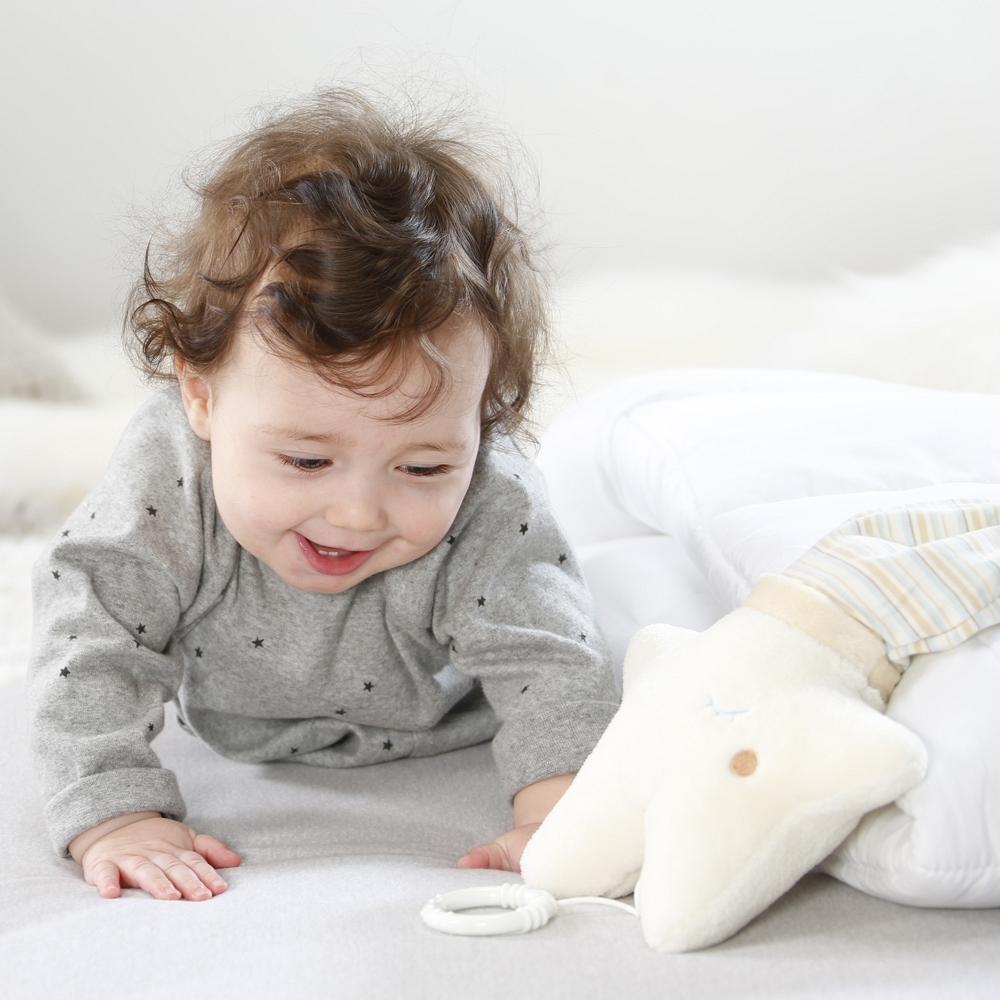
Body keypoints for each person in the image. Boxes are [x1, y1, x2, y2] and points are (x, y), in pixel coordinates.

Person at [26, 87, 619, 902]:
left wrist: (559, 817)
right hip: (231, 724)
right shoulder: (170, 474)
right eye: (306, 460)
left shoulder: (492, 494)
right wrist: (113, 812)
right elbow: (92, 629)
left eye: (422, 468)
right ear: (200, 396)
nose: (357, 514)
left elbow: (547, 658)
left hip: (450, 721)